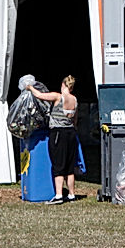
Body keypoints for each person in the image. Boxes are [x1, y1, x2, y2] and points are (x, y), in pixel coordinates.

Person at [29, 75, 79, 204]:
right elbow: (75, 120)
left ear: (63, 85)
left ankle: (58, 195)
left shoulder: (58, 97)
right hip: (71, 133)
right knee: (69, 166)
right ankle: (72, 194)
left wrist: (29, 87)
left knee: (58, 164)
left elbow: (40, 95)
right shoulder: (74, 99)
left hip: (58, 133)